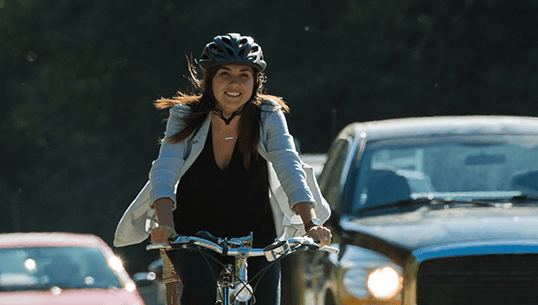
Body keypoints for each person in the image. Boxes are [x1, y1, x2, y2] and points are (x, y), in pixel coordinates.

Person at [114, 33, 331, 304]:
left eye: (244, 75)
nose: (234, 83)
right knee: (199, 294)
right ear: (209, 81)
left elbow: (289, 164)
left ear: (256, 82)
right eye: (224, 74)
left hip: (257, 233)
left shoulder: (268, 114)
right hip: (194, 234)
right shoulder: (184, 116)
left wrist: (311, 223)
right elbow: (165, 169)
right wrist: (165, 225)